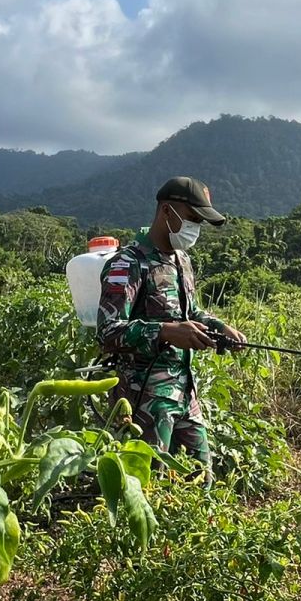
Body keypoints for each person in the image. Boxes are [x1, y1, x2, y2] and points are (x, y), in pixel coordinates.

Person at [96, 176, 246, 484]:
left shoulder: (182, 260)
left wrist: (219, 328)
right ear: (167, 211)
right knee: (146, 486)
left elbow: (190, 312)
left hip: (183, 392)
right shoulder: (127, 264)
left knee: (201, 481)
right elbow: (108, 331)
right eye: (192, 219)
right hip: (142, 399)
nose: (196, 229)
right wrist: (164, 332)